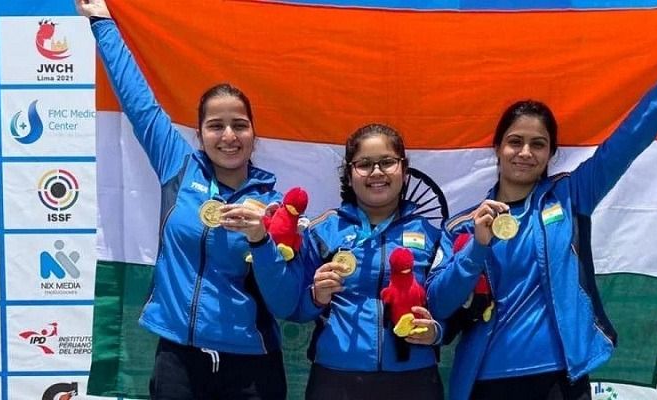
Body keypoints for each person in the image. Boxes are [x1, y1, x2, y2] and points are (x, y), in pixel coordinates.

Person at [425, 12, 657, 400]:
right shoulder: (462, 227)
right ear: (497, 148)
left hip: (561, 378)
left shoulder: (572, 195)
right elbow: (438, 303)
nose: (525, 152)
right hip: (485, 382)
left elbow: (636, 132)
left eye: (537, 144)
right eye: (515, 141)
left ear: (551, 154)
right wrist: (477, 246)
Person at [76, 0, 301, 398]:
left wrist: (261, 240)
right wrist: (102, 23)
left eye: (239, 125)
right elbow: (137, 101)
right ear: (200, 134)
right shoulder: (178, 168)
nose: (228, 136)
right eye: (216, 126)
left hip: (252, 367)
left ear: (254, 135)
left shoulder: (274, 205)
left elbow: (284, 303)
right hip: (179, 359)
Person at [290, 124, 444, 399]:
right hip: (336, 379)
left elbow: (448, 309)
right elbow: (295, 309)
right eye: (364, 164)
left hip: (414, 380)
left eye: (387, 162)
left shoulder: (431, 235)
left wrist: (437, 332)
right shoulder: (323, 231)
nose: (376, 172)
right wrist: (316, 296)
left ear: (404, 170)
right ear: (349, 175)